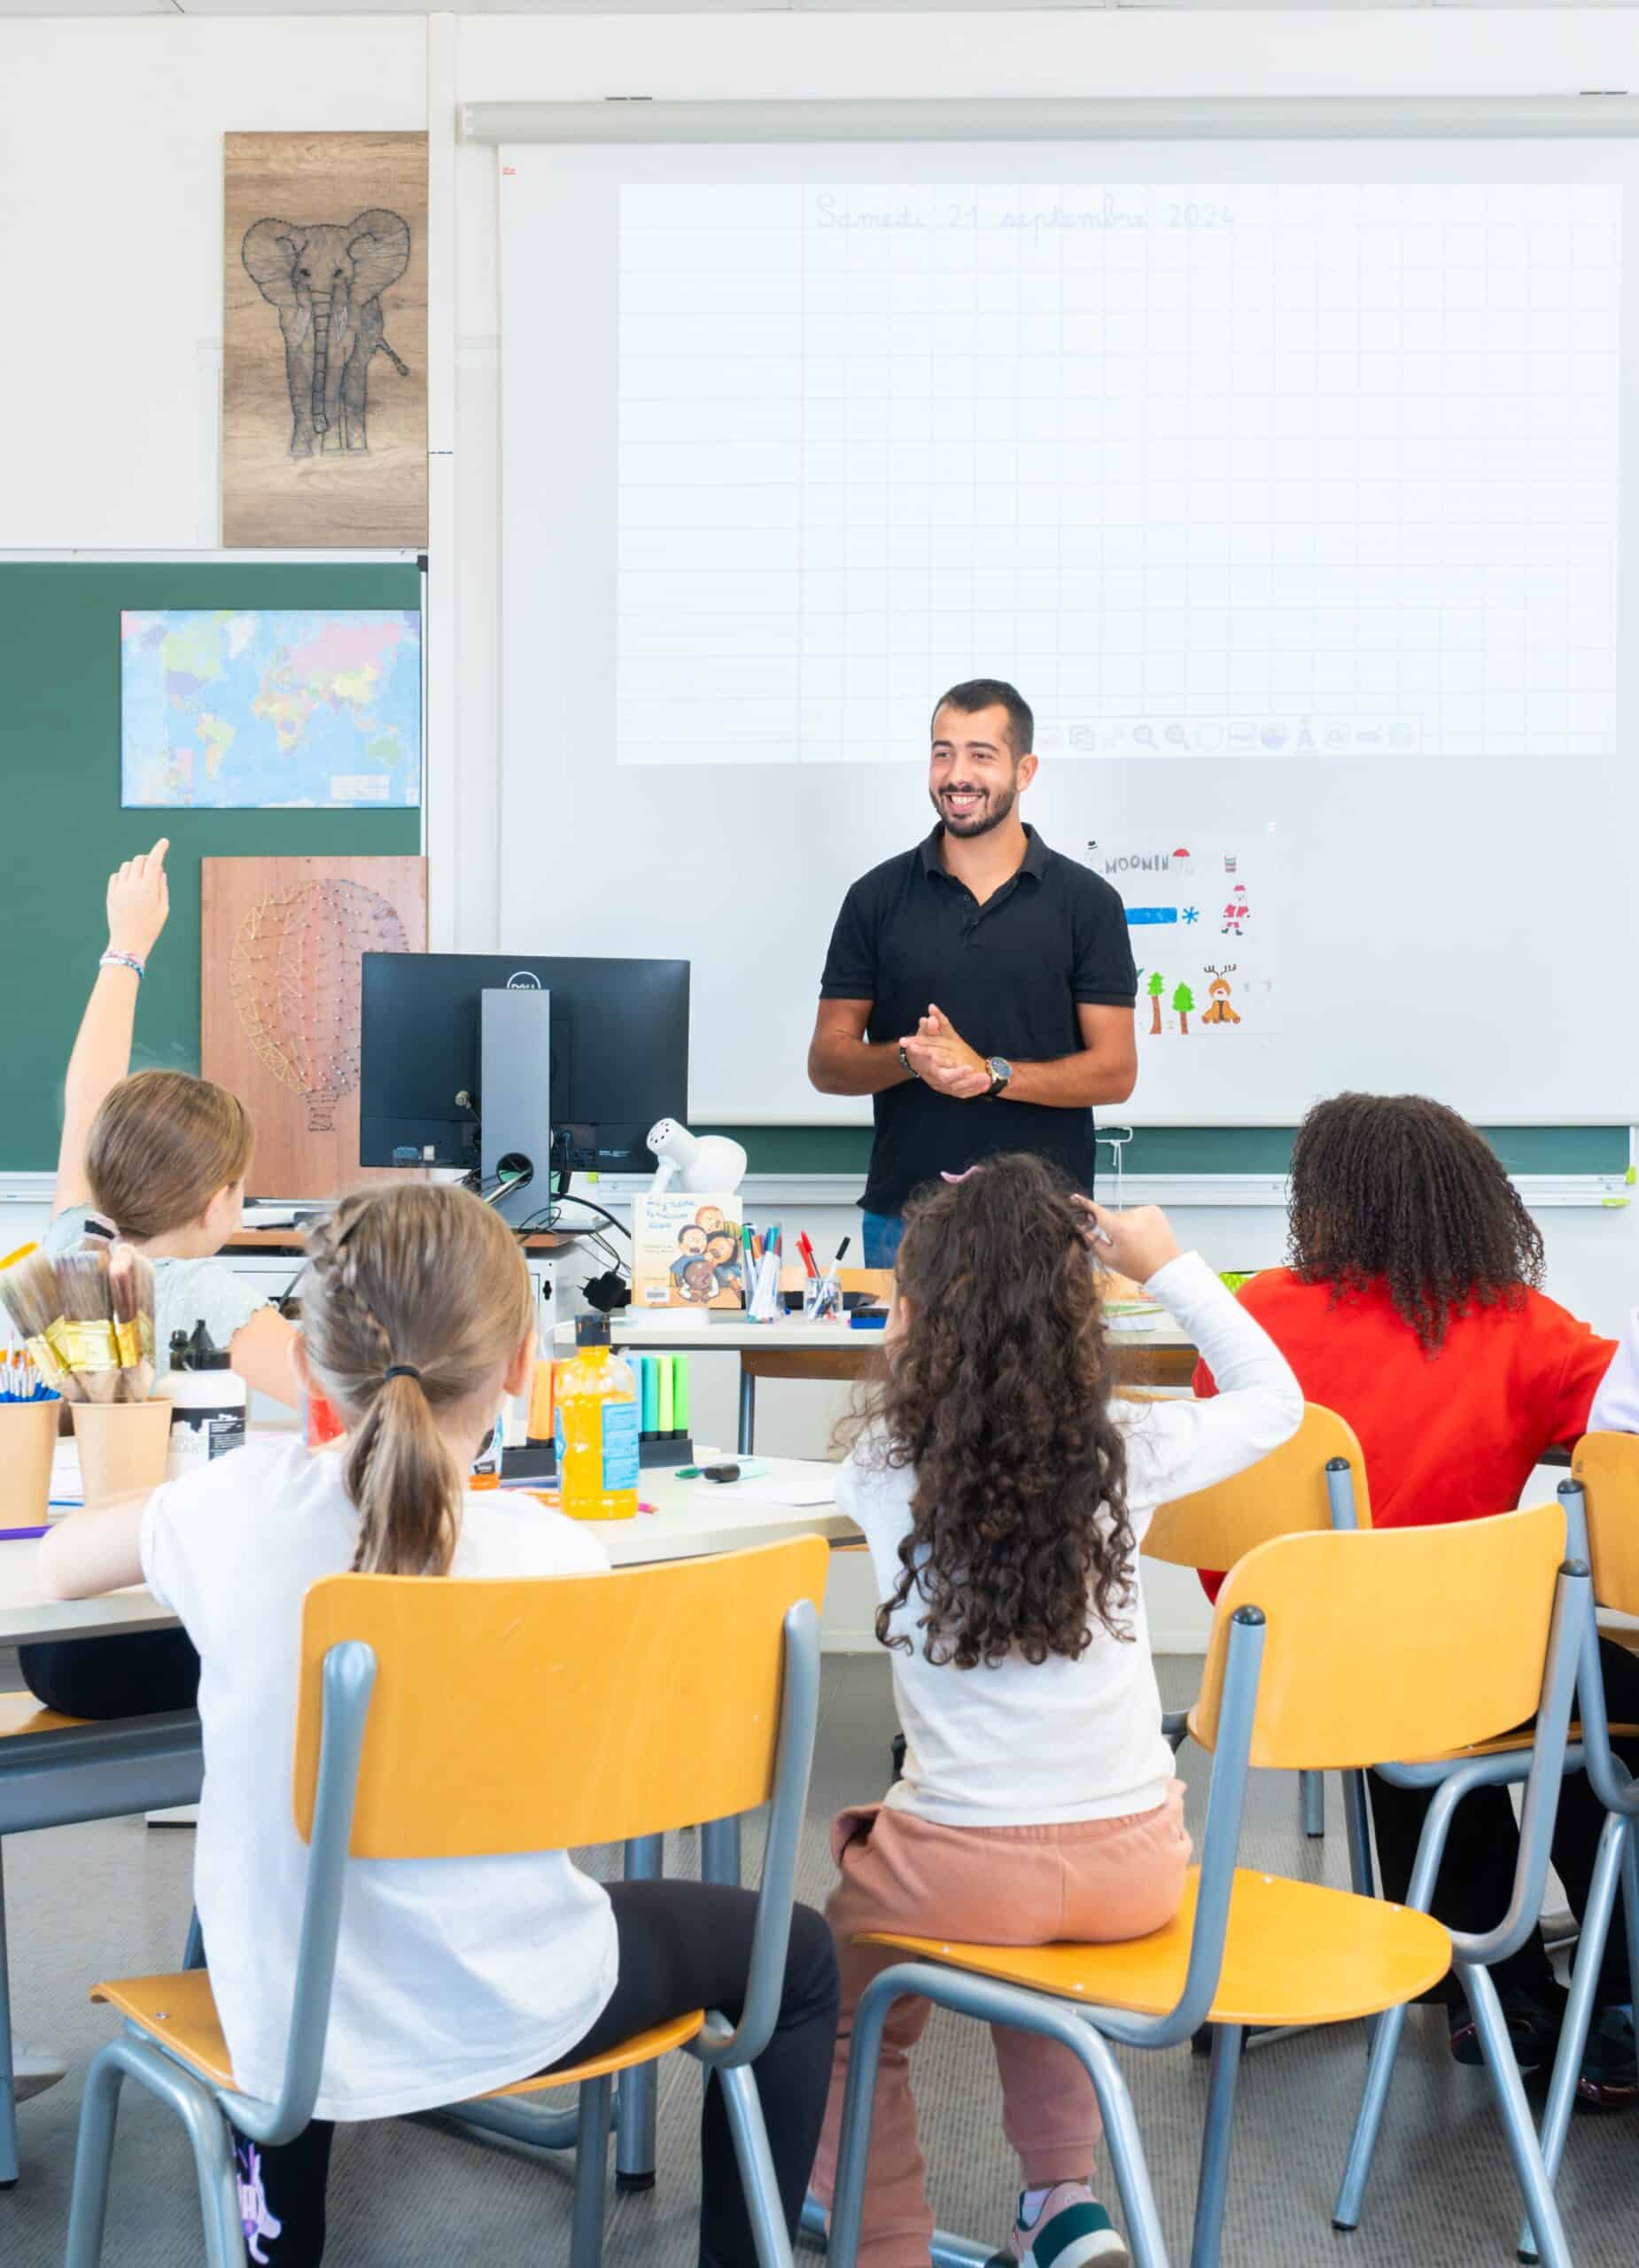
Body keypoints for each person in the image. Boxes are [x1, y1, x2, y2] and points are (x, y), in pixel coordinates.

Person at [40, 1183, 840, 2268]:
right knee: (798, 1954)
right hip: (533, 2003)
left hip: (294, 2038)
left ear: (309, 1366)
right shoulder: (561, 1557)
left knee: (295, 1958)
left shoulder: (228, 1509)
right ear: (519, 1364)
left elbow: (59, 1566)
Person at [810, 1156, 1302, 2268]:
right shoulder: (1130, 1446)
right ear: (1078, 1318)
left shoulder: (880, 1467)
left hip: (959, 1871)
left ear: (915, 1317)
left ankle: (877, 2235)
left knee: (838, 2000)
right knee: (1041, 1956)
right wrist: (1163, 1264)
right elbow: (1274, 1399)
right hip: (1133, 1867)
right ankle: (1059, 2203)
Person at [1192, 1091, 1638, 2105]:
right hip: (1455, 1664)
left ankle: (1494, 1991)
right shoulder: (1519, 1326)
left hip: (1277, 1658)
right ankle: (1611, 1993)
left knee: (1440, 1703)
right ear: (1474, 1199)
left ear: (1321, 1200)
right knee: (1587, 1700)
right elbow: (1617, 1433)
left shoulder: (1254, 1314)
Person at [20, 843, 299, 1732]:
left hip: (55, 1639)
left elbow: (87, 1097)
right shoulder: (203, 1294)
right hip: (162, 1637)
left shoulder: (71, 1248)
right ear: (220, 1203)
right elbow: (344, 1402)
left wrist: (127, 947)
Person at [807, 680, 1138, 1269]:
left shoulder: (1088, 903)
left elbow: (1115, 1072)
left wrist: (988, 1074)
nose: (957, 775)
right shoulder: (874, 898)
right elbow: (827, 1062)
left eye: (981, 755)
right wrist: (912, 1059)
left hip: (1046, 1223)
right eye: (943, 753)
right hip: (905, 1222)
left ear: (1025, 770)